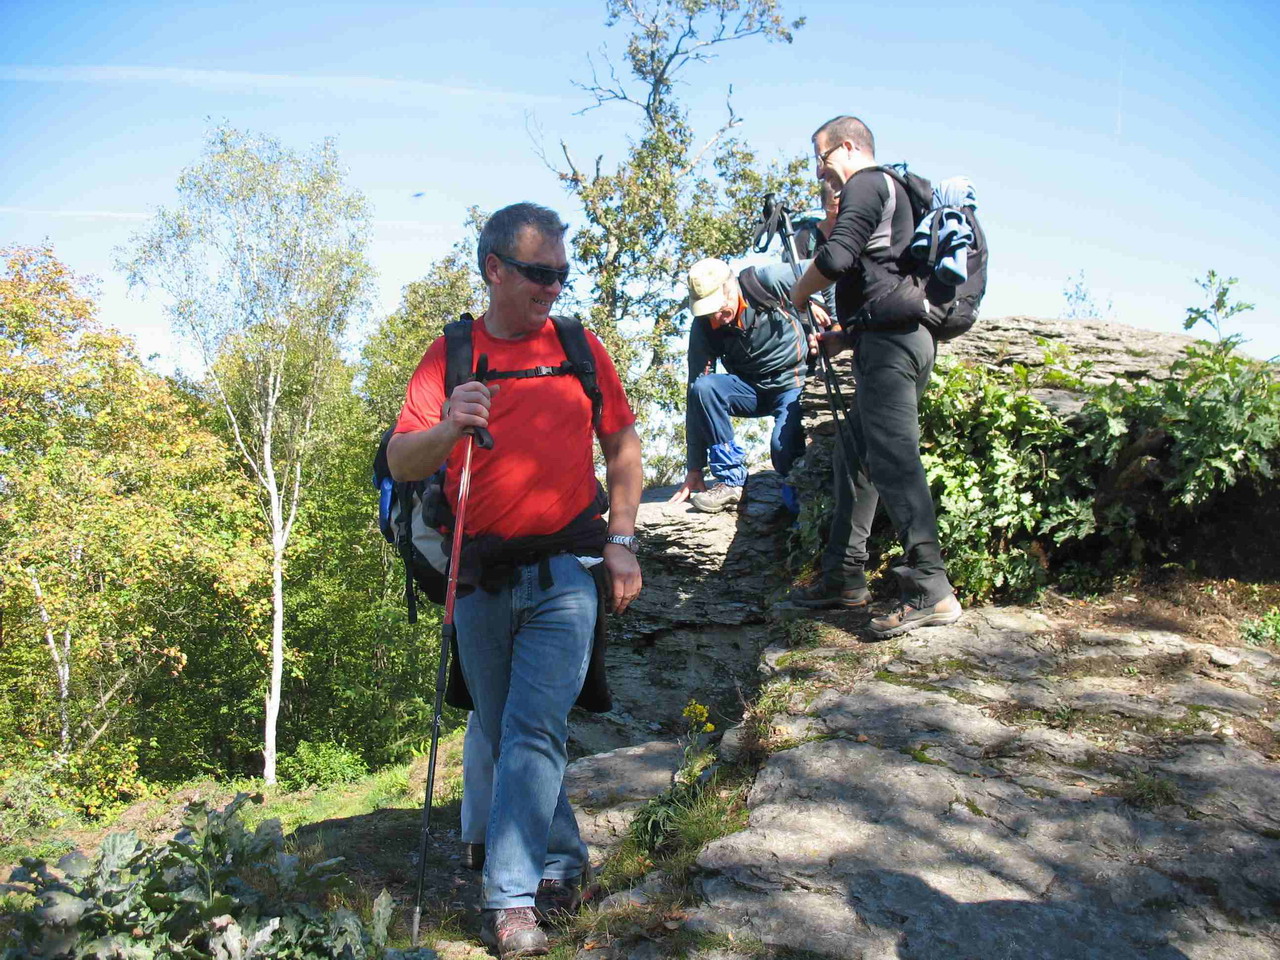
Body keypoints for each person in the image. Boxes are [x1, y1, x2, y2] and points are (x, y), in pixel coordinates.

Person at [387, 202, 643, 958]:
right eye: (539, 272)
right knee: (503, 732)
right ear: (494, 268)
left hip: (567, 572)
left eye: (562, 273)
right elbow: (400, 462)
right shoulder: (451, 355)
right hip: (478, 578)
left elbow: (624, 447)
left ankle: (511, 904)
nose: (554, 287)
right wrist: (448, 428)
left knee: (533, 731)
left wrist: (623, 541)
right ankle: (564, 863)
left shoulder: (578, 346)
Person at [787, 115, 963, 638]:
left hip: (893, 348)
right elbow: (883, 279)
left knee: (893, 459)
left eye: (822, 157)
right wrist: (846, 336)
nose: (822, 168)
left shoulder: (867, 181)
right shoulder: (898, 193)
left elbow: (837, 257)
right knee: (856, 457)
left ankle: (932, 588)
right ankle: (844, 578)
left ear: (845, 147)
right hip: (889, 339)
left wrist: (799, 293)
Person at [668, 257, 826, 514]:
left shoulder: (767, 282)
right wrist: (694, 467)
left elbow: (832, 263)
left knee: (782, 449)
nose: (716, 318)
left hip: (793, 383)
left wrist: (823, 306)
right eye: (708, 312)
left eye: (719, 308)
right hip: (750, 391)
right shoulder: (706, 326)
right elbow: (694, 390)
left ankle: (802, 509)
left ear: (731, 287)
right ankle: (730, 481)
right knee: (704, 388)